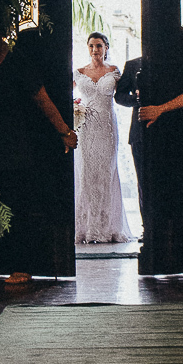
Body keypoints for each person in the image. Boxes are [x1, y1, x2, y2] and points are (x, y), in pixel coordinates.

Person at [0, 6, 77, 276]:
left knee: (16, 208)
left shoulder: (18, 60)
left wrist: (64, 132)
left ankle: (20, 267)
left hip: (13, 146)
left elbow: (42, 99)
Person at [73, 32, 132, 244]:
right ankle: (86, 228)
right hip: (86, 128)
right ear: (87, 48)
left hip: (107, 128)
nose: (95, 50)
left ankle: (108, 228)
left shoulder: (114, 72)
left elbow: (124, 95)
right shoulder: (79, 72)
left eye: (98, 45)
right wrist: (75, 108)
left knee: (106, 173)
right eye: (91, 46)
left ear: (106, 47)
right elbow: (64, 96)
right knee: (86, 174)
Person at [113, 55, 144, 216]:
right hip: (139, 131)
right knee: (143, 181)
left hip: (167, 129)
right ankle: (147, 226)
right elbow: (119, 96)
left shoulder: (169, 62)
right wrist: (137, 99)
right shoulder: (132, 65)